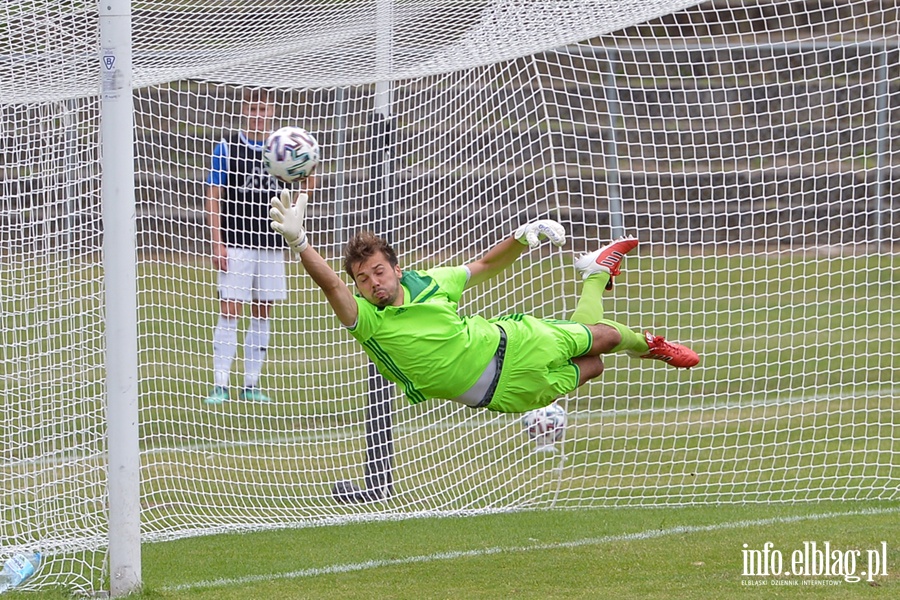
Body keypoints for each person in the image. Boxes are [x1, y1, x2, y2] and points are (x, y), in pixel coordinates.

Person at [269, 191, 699, 413]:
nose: (373, 284)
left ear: (396, 269)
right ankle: (597, 272)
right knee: (595, 364)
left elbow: (485, 266)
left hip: (512, 342)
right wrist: (301, 242)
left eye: (379, 271)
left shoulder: (430, 282)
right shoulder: (368, 322)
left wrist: (519, 237)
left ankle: (651, 344)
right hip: (502, 394)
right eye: (363, 279)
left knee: (603, 337)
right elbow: (332, 288)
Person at [203, 89, 310, 405]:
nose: (258, 114)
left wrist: (309, 167)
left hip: (271, 243)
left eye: (264, 108)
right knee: (230, 308)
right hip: (236, 242)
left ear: (272, 112)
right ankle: (220, 384)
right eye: (253, 108)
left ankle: (251, 384)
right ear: (244, 111)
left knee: (262, 311)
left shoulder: (283, 150)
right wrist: (217, 242)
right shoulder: (227, 147)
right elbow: (214, 195)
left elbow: (304, 193)